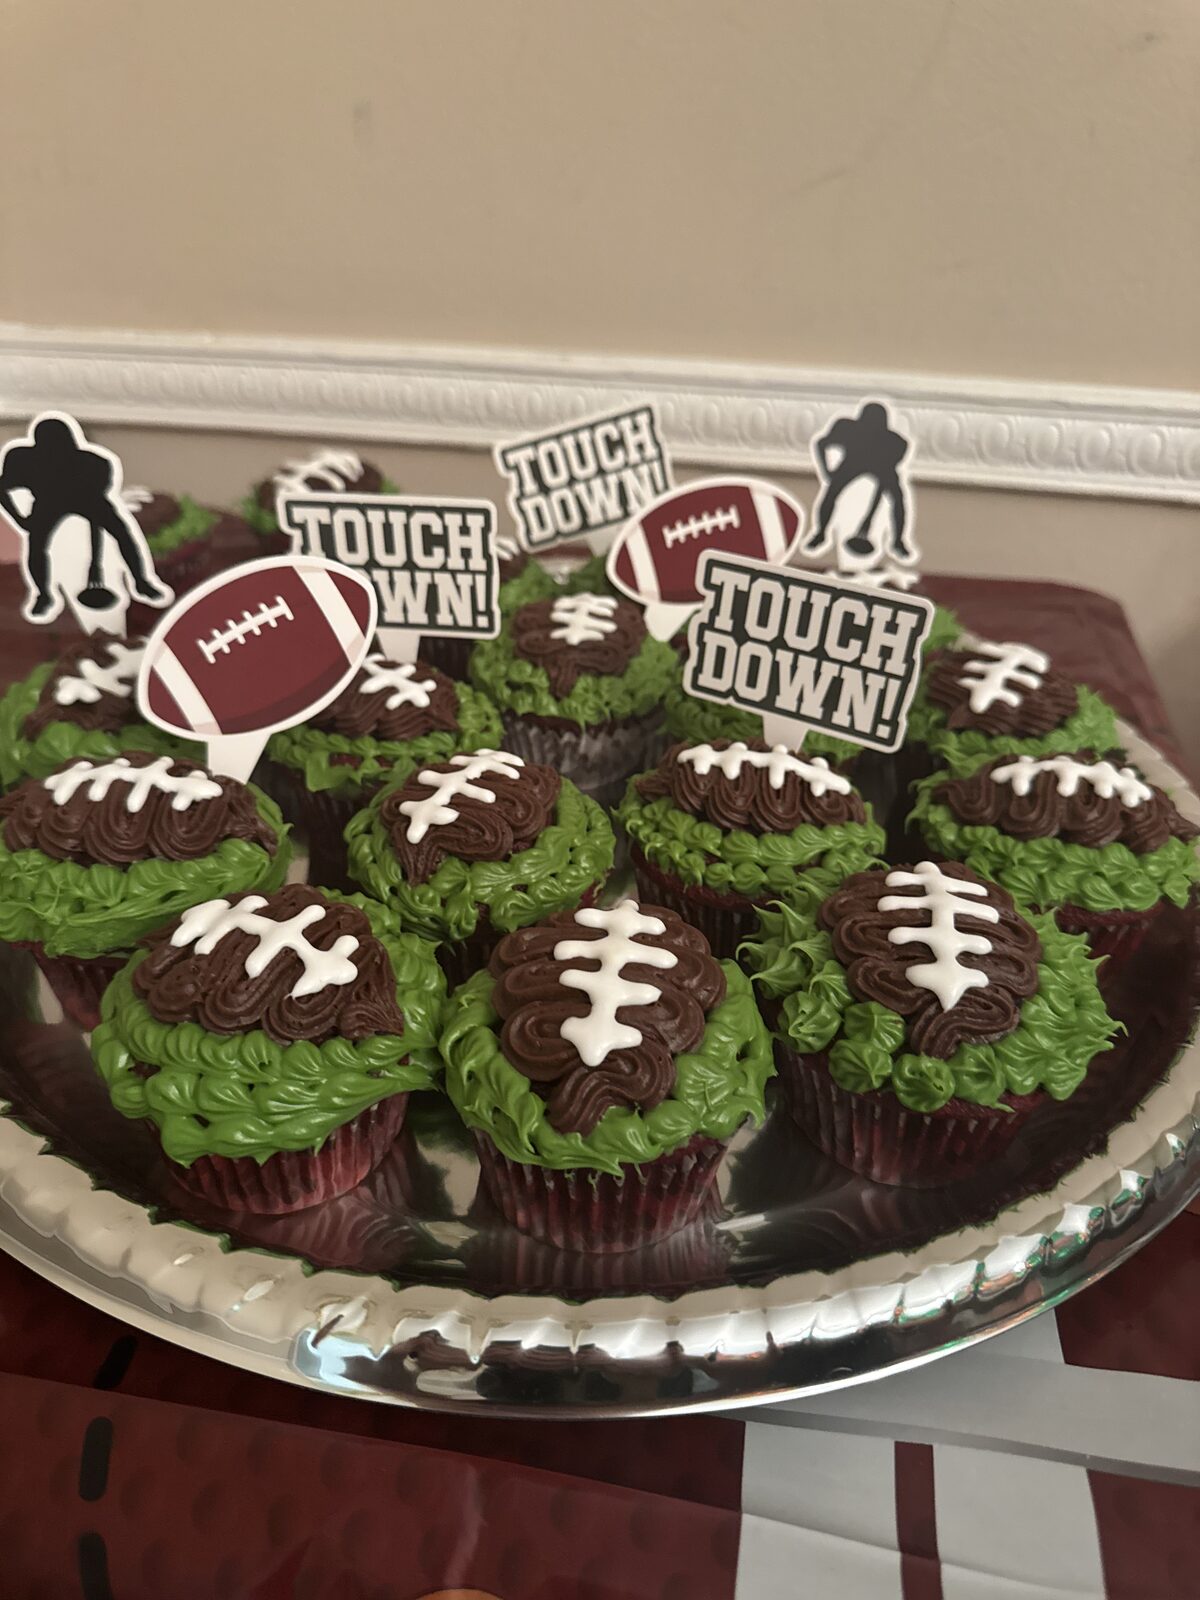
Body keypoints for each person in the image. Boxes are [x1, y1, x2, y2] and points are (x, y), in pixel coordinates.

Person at [0, 414, 171, 619]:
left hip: (87, 500)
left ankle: (142, 582)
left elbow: (101, 490)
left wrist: (22, 519)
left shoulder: (94, 461)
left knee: (122, 532)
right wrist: (20, 519)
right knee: (36, 544)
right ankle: (43, 595)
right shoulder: (22, 459)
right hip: (48, 502)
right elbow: (2, 488)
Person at [804, 400, 915, 564]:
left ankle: (898, 541)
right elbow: (821, 443)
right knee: (831, 492)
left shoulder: (897, 442)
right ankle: (820, 533)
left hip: (882, 467)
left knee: (898, 498)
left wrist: (828, 471)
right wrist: (826, 471)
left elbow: (891, 464)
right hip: (852, 463)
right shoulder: (846, 427)